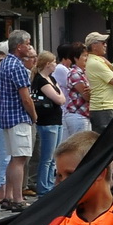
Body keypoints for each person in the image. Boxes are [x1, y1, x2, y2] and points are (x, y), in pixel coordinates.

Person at [0, 30, 35, 211]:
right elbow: (25, 97)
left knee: (12, 158)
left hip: (7, 116)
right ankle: (17, 198)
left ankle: (8, 196)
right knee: (20, 159)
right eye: (28, 43)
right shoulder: (17, 66)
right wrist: (34, 115)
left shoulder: (4, 63)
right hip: (18, 116)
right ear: (20, 46)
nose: (30, 46)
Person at [30, 51, 65, 195]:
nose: (56, 65)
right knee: (46, 157)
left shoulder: (51, 79)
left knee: (53, 157)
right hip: (47, 122)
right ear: (48, 64)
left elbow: (61, 96)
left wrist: (60, 97)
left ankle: (50, 184)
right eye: (54, 62)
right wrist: (59, 97)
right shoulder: (40, 80)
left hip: (57, 120)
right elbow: (58, 99)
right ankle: (44, 188)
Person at [82, 32, 113, 133]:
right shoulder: (97, 63)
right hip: (103, 108)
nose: (105, 45)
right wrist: (111, 66)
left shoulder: (96, 61)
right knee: (107, 141)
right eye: (102, 42)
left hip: (104, 107)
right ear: (94, 46)